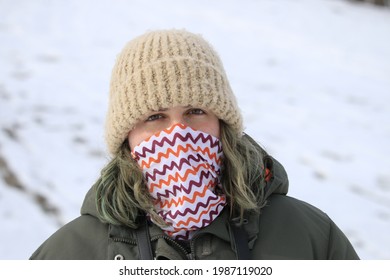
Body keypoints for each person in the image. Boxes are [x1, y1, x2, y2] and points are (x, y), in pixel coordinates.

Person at [30, 29, 359, 260]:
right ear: (126, 136)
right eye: (155, 116)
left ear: (222, 124)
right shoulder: (69, 255)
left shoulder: (310, 237)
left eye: (195, 111)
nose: (178, 134)